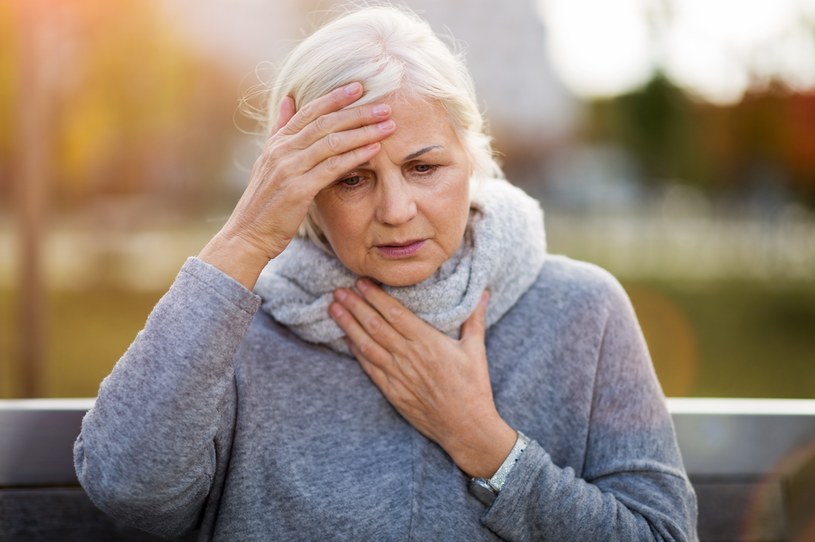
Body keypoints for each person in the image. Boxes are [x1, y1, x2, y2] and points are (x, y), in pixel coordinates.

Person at [74, 4, 698, 541]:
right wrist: (247, 238)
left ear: (471, 155)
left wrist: (484, 443)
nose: (397, 212)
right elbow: (128, 490)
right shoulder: (231, 324)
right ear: (304, 186)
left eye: (424, 167)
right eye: (352, 177)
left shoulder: (582, 309)